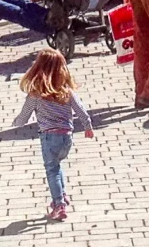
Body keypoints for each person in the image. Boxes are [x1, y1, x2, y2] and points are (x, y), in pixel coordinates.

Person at [10, 47, 95, 222]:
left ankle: (59, 205)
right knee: (57, 166)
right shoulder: (66, 91)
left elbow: (24, 115)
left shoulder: (36, 94)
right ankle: (62, 194)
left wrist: (16, 123)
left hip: (49, 138)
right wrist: (88, 126)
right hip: (67, 137)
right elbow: (81, 110)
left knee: (52, 170)